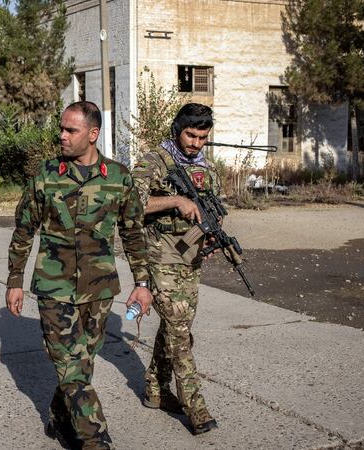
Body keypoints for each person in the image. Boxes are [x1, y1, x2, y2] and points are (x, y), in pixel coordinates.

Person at [6, 101, 153, 449]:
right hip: (53, 286)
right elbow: (23, 230)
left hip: (99, 289)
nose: (62, 135)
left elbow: (133, 233)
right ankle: (95, 438)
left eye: (71, 130)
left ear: (93, 134)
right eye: (62, 128)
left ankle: (60, 417)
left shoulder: (118, 177)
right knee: (71, 366)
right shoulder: (46, 174)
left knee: (80, 366)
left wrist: (142, 284)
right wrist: (15, 281)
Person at [130, 103, 220, 435]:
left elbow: (213, 205)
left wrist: (210, 233)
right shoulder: (154, 161)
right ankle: (196, 408)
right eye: (191, 135)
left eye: (202, 137)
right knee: (181, 335)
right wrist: (175, 201)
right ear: (176, 129)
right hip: (160, 256)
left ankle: (155, 389)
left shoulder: (205, 166)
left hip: (190, 257)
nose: (196, 143)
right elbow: (130, 204)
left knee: (176, 327)